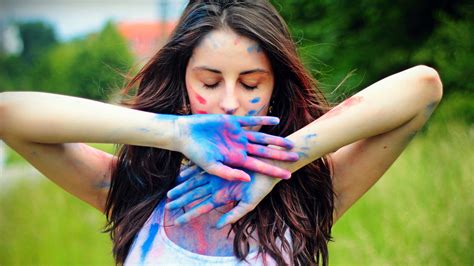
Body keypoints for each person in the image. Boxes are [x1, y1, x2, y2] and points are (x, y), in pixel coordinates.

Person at [0, 0, 443, 265]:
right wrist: (173, 132)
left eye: (251, 83)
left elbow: (422, 88)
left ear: (274, 88)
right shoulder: (138, 193)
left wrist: (283, 160)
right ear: (183, 83)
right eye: (209, 82)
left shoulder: (308, 197)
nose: (229, 102)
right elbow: (9, 114)